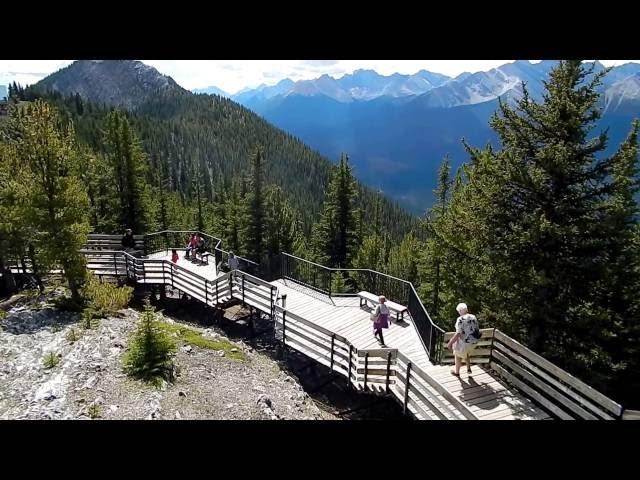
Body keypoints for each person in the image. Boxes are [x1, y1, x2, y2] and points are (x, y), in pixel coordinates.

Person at [447, 303, 481, 376]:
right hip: (474, 342)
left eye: (458, 311)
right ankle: (468, 368)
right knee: (465, 351)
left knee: (457, 353)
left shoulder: (460, 319)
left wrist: (450, 343)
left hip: (466, 342)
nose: (459, 313)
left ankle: (457, 372)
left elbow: (458, 333)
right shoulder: (473, 316)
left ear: (460, 310)